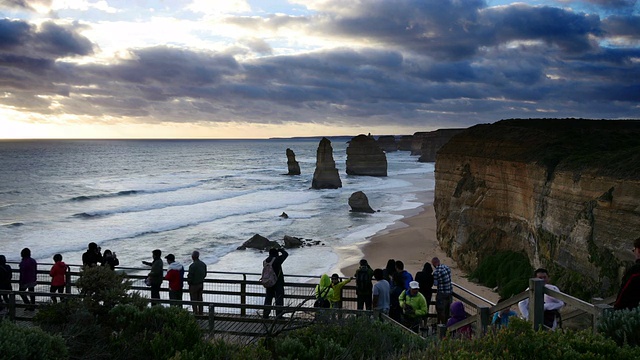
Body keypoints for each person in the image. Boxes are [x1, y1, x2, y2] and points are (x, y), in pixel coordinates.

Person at [614, 237, 640, 310]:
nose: (634, 252)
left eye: (635, 250)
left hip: (633, 311)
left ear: (638, 250)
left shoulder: (635, 270)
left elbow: (624, 291)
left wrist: (616, 307)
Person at [262, 248, 288, 318]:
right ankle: (279, 316)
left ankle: (265, 314)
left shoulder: (265, 261)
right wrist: (281, 250)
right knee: (279, 299)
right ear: (276, 253)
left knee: (268, 298)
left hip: (268, 283)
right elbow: (286, 254)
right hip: (278, 283)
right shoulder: (277, 260)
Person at [432, 257, 453, 324]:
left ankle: (442, 325)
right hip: (449, 292)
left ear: (434, 264)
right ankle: (447, 324)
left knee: (440, 309)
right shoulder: (446, 267)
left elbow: (435, 284)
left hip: (442, 293)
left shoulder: (436, 272)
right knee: (447, 309)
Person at [187, 250, 207, 315]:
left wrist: (189, 282)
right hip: (201, 283)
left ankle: (195, 312)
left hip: (194, 285)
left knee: (194, 299)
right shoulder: (203, 264)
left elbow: (190, 276)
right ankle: (201, 312)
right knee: (200, 299)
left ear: (193, 257)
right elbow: (205, 274)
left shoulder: (192, 266)